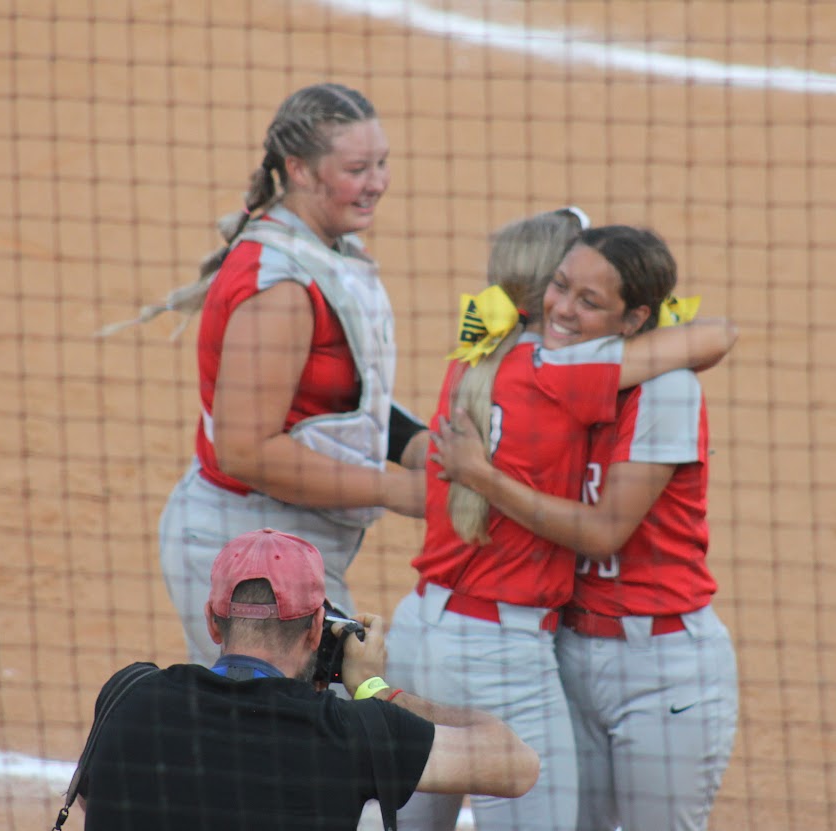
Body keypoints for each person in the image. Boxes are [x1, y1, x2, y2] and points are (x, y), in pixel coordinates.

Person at [384, 216, 738, 831]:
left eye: (589, 298)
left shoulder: (482, 351)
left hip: (638, 657)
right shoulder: (556, 369)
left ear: (633, 319)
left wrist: (468, 473)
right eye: (561, 285)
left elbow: (604, 529)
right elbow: (716, 333)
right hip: (534, 646)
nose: (566, 307)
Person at [152, 82, 428, 665]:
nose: (376, 182)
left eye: (381, 163)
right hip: (248, 551)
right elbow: (245, 451)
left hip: (283, 539)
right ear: (299, 170)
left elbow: (342, 395)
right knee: (295, 739)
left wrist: (417, 447)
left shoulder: (326, 248)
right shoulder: (279, 287)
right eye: (357, 168)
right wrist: (399, 489)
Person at [74, 527, 540, 831]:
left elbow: (96, 802)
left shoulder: (127, 695)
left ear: (214, 624)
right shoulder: (350, 732)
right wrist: (374, 689)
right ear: (317, 630)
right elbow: (516, 764)